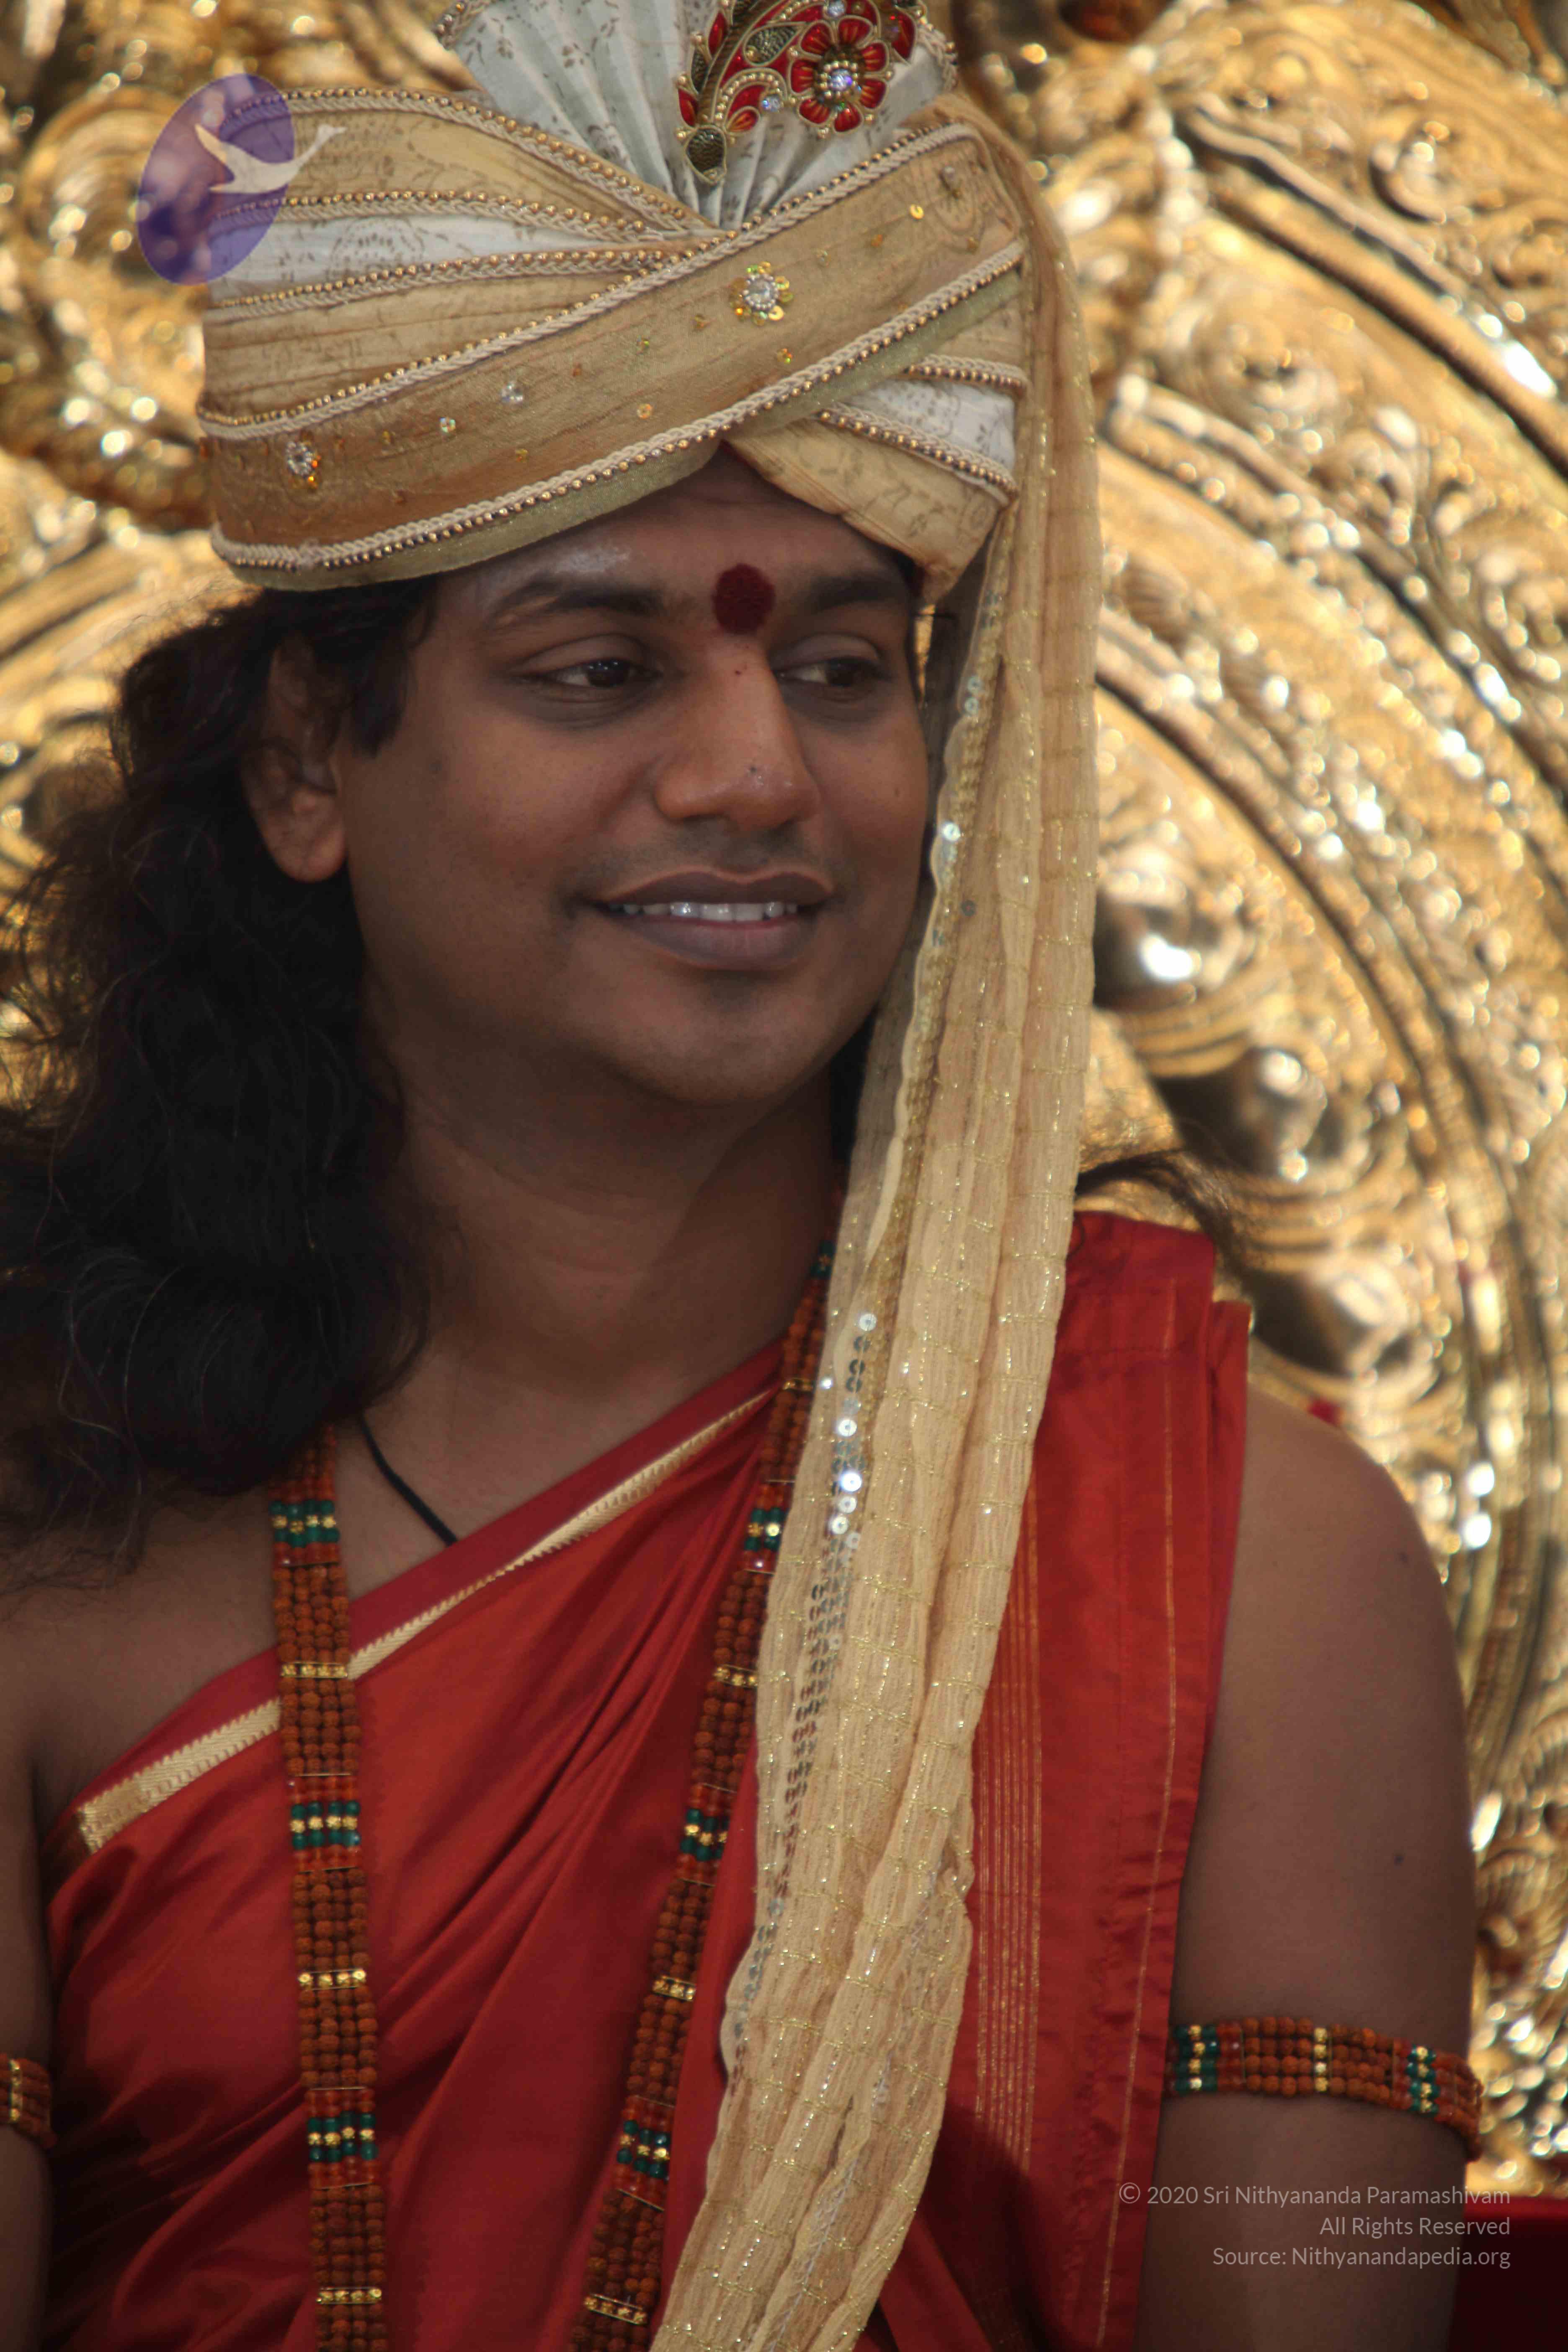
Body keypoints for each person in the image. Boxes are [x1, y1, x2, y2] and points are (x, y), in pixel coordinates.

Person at [0, 4, 1475, 2347]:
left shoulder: (1263, 1569)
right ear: (305, 765)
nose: (757, 776)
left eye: (847, 672)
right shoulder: (49, 1519)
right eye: (598, 671)